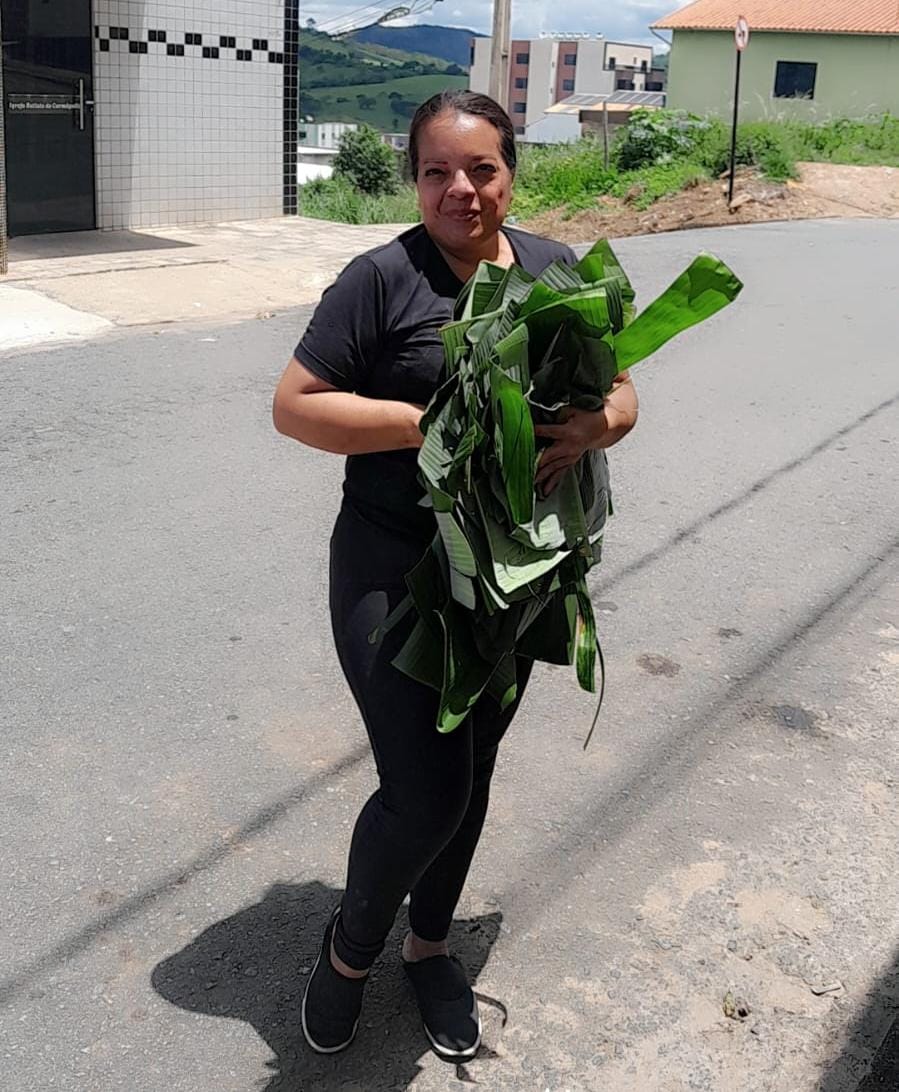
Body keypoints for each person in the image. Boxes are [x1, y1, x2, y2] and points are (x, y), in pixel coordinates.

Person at [272, 90, 638, 1063]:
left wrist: (598, 424)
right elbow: (295, 405)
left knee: (469, 770)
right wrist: (422, 424)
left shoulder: (554, 269)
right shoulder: (380, 281)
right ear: (414, 180)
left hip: (510, 573)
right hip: (391, 564)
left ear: (511, 172)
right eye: (436, 171)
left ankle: (428, 948)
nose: (459, 190)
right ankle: (348, 954)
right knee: (424, 787)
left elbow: (620, 388)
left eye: (480, 169)